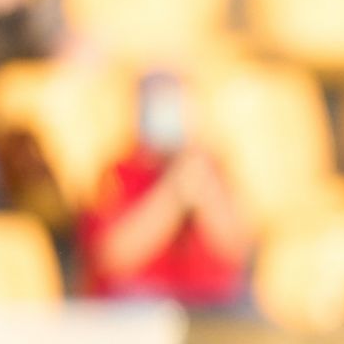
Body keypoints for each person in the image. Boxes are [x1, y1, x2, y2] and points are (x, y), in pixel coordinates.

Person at [78, 72, 250, 309]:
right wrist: (171, 196)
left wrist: (205, 191)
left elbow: (237, 248)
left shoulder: (210, 167)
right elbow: (112, 256)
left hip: (208, 305)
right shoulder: (117, 172)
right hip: (137, 304)